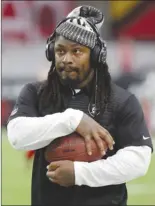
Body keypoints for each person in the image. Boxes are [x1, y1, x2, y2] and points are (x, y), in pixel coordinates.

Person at [7, 5, 153, 206]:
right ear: (51, 52)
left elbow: (138, 161)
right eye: (60, 50)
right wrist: (72, 119)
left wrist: (79, 173)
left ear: (96, 56)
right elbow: (17, 135)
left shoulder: (122, 100)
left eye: (77, 51)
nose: (66, 59)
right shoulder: (35, 93)